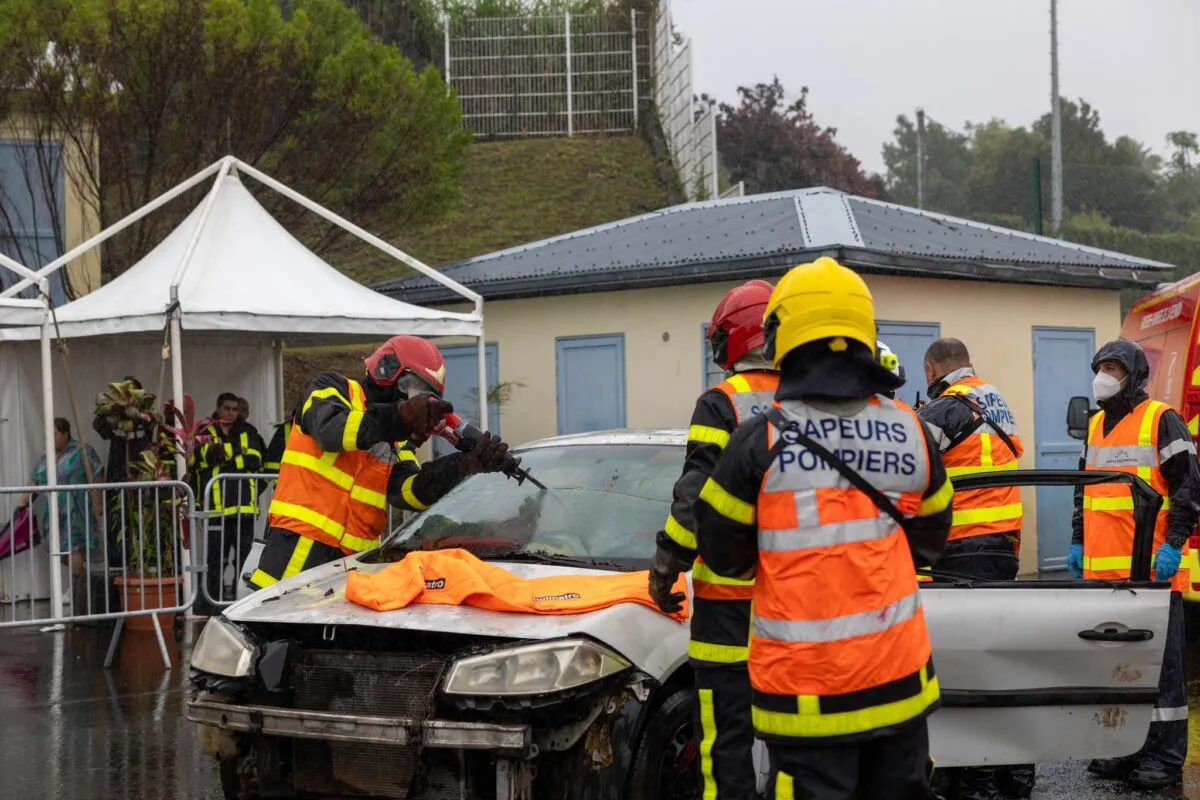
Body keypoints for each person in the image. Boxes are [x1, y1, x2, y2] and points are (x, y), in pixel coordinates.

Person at [695, 256, 953, 799]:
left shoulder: (759, 442)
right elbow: (931, 544)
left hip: (807, 700)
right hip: (901, 686)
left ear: (782, 336)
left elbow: (724, 558)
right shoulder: (913, 430)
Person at [647, 279, 778, 799]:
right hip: (795, 602)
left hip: (728, 604)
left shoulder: (722, 402)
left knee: (726, 742)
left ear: (737, 337)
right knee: (797, 742)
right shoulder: (812, 401)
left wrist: (666, 565)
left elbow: (695, 495)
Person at [248, 335, 512, 589]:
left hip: (353, 569)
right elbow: (331, 431)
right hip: (294, 560)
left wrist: (463, 465)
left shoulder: (395, 440)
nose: (415, 401)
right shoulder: (332, 388)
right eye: (416, 390)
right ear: (389, 371)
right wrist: (399, 417)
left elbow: (408, 492)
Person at [1069, 338, 1197, 791]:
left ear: (1134, 375)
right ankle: (1122, 748)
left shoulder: (1161, 419)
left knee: (1161, 673)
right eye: (1100, 366)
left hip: (1151, 573)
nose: (1103, 376)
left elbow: (1188, 488)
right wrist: (1077, 539)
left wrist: (1174, 545)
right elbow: (1083, 490)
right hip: (1103, 577)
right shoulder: (1095, 425)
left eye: (1113, 368)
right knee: (1115, 670)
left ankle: (1163, 757)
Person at [917, 338, 1031, 800]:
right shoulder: (995, 399)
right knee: (998, 657)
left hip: (962, 547)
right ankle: (1013, 774)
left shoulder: (943, 409)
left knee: (962, 663)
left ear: (932, 369)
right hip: (1003, 545)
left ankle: (974, 780)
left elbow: (906, 468)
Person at [190, 393, 267, 613]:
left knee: (244, 559)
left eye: (235, 409)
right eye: (227, 409)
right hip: (216, 508)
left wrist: (224, 456)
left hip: (244, 508)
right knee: (215, 559)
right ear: (218, 408)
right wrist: (236, 453)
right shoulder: (206, 430)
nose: (232, 413)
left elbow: (255, 459)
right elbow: (202, 458)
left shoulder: (248, 431)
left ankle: (240, 605)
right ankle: (210, 604)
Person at [18, 417, 105, 609]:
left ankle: (75, 590)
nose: (51, 439)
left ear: (66, 434)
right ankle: (82, 582)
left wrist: (97, 502)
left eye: (55, 434)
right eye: (47, 435)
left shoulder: (82, 450)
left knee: (73, 547)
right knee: (59, 551)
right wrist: (21, 502)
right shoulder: (46, 457)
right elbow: (35, 479)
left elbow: (98, 473)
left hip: (76, 508)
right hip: (53, 512)